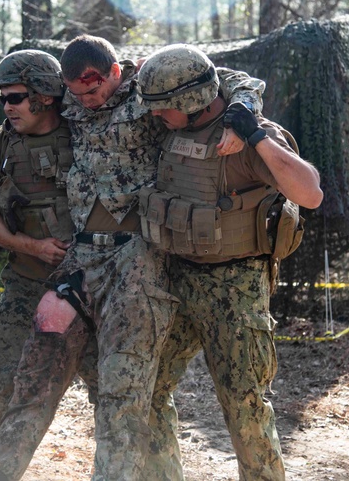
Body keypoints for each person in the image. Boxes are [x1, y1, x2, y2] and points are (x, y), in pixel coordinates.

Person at [0, 36, 265, 481]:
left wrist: (241, 114)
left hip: (137, 256)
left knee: (123, 393)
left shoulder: (147, 90)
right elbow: (27, 120)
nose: (86, 102)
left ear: (115, 72)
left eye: (93, 91)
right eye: (77, 94)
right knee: (34, 377)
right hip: (80, 256)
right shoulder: (71, 101)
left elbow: (230, 80)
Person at [135, 44, 324, 481]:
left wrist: (255, 134)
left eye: (164, 109)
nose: (155, 116)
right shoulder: (172, 123)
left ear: (191, 101)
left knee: (244, 405)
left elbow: (310, 192)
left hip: (235, 288)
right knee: (148, 389)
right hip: (176, 277)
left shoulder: (248, 134)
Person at [0, 50, 97, 481]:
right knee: (3, 377)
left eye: (16, 97)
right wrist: (29, 246)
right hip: (26, 281)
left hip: (93, 286)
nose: (7, 106)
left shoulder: (90, 135)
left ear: (46, 96)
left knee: (114, 387)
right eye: (2, 97)